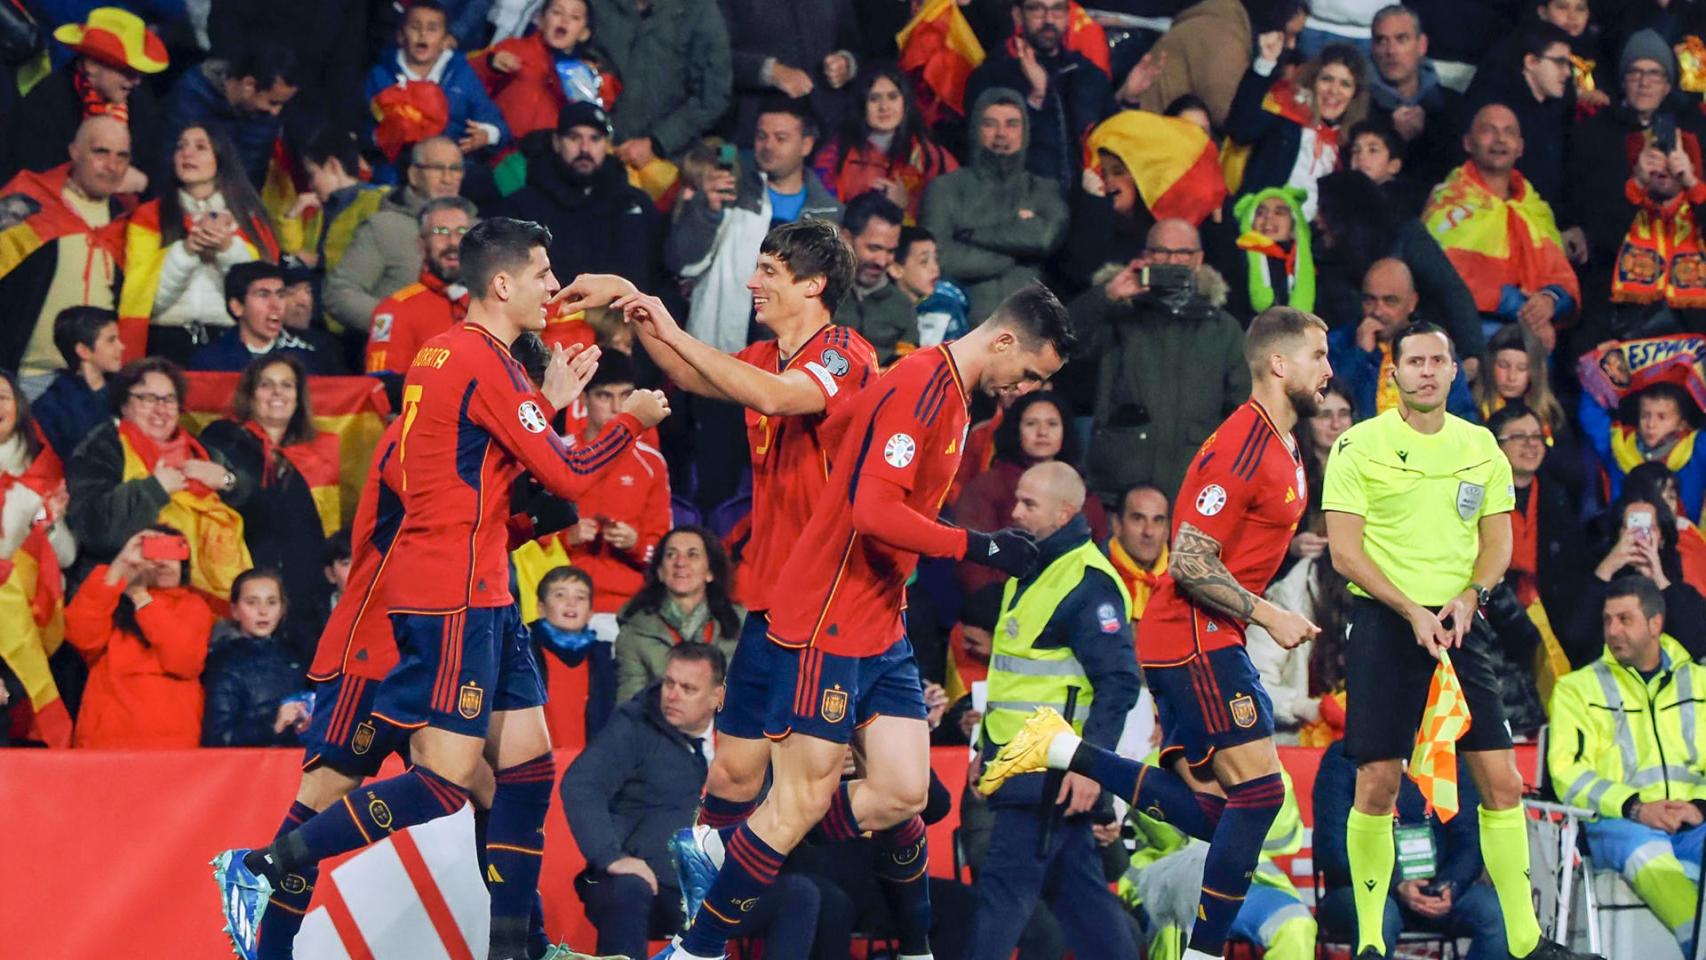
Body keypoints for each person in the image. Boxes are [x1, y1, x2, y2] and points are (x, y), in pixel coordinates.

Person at [215, 217, 670, 960]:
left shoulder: (466, 391)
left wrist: (545, 430)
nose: (532, 395)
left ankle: (521, 949)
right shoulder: (452, 392)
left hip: (477, 601)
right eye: (532, 386)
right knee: (358, 797)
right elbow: (449, 513)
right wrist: (613, 429)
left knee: (524, 775)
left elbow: (515, 505)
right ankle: (264, 906)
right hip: (388, 634)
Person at [661, 283, 1075, 960]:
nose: (1027, 387)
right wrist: (979, 544)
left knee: (905, 793)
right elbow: (873, 513)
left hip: (880, 614)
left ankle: (751, 855)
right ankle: (698, 948)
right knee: (798, 800)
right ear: (1003, 340)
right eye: (1030, 372)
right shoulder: (922, 385)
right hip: (828, 613)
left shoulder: (956, 397)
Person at [981, 305, 1336, 960]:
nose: (1330, 369)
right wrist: (1270, 613)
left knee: (1234, 811)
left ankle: (1065, 752)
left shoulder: (1284, 443)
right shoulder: (1240, 446)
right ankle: (1201, 952)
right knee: (1260, 795)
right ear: (1279, 363)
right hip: (1194, 633)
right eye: (1319, 355)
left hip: (1211, 634)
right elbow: (1193, 560)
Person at [555, 221, 880, 901]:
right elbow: (683, 368)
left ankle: (891, 932)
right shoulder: (762, 353)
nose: (751, 281)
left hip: (833, 602)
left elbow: (775, 397)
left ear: (814, 284)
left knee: (865, 788)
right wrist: (634, 304)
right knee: (733, 773)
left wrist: (660, 315)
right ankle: (710, 904)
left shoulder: (845, 353)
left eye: (768, 271)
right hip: (769, 597)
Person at [1322, 319, 1598, 960]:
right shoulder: (1358, 445)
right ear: (1393, 374)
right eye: (1411, 360)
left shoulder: (1481, 446)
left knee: (1502, 783)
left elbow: (1498, 541)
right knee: (1377, 786)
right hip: (1385, 622)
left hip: (1459, 622)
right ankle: (1369, 939)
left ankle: (1526, 939)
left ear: (1453, 372)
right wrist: (1406, 608)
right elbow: (1344, 551)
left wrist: (1470, 595)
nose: (1423, 370)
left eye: (1435, 361)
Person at [963, 460, 1142, 960]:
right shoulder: (1033, 567)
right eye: (1016, 500)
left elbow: (1120, 683)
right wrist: (985, 747)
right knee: (1081, 901)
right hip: (1023, 766)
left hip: (1049, 770)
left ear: (1065, 512)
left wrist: (1091, 767)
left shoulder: (1088, 583)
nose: (1014, 512)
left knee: (1002, 897)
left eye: (1028, 504)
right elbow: (1013, 680)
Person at [562, 643, 821, 959]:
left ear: (718, 696)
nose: (672, 695)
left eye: (687, 688)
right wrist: (612, 857)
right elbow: (581, 785)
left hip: (719, 886)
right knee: (628, 888)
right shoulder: (634, 725)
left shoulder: (746, 739)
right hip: (650, 884)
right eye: (669, 683)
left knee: (801, 894)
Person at [1550, 576, 1706, 958]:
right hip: (1618, 824)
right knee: (1649, 857)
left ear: (1655, 625)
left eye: (1624, 619)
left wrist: (1699, 805)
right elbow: (1566, 774)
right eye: (1607, 620)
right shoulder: (1576, 689)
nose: (1612, 630)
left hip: (1693, 818)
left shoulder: (1700, 682)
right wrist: (1636, 806)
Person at [1077, 218, 1249, 501]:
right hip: (1120, 488)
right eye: (1161, 252)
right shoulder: (1119, 314)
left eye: (1182, 253)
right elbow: (1066, 342)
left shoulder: (1223, 328)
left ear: (1198, 259)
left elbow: (1243, 410)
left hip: (1195, 490)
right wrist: (1106, 296)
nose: (1172, 262)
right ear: (1145, 257)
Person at [666, 101, 844, 352]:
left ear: (806, 144)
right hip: (718, 356)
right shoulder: (730, 193)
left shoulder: (829, 214)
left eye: (781, 138)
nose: (768, 145)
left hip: (790, 361)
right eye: (762, 136)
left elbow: (834, 296)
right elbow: (682, 263)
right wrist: (706, 212)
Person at [197, 355, 341, 664]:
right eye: (266, 385)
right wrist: (229, 480)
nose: (278, 393)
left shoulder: (315, 452)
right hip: (244, 605)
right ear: (250, 396)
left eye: (286, 385)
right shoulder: (223, 439)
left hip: (304, 610)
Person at [65, 358, 254, 587]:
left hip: (210, 599)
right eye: (147, 399)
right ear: (123, 404)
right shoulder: (102, 449)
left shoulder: (201, 451)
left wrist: (227, 480)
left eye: (169, 400)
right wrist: (154, 489)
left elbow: (255, 505)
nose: (161, 409)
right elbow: (94, 529)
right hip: (129, 597)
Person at [1313, 739, 1507, 958]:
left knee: (1498, 913)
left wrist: (1450, 884)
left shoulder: (1447, 755)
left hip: (1435, 888)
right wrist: (1397, 885)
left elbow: (1469, 842)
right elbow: (1334, 850)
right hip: (1365, 890)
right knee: (1378, 915)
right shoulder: (1346, 756)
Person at [120, 124, 280, 365]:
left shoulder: (250, 219)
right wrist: (187, 251)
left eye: (200, 147)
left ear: (221, 158)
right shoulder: (149, 217)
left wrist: (227, 250)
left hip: (230, 343)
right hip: (165, 341)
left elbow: (262, 299)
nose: (187, 153)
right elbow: (144, 300)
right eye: (181, 146)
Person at [1423, 103, 1578, 352]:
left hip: (1531, 338)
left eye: (1509, 132)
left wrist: (1549, 301)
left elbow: (1562, 279)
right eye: (1489, 130)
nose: (1500, 139)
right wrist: (1524, 310)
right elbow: (1445, 278)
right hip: (1467, 336)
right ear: (1467, 142)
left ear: (1520, 147)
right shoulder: (1448, 201)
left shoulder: (1535, 207)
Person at [1118, 765, 1314, 960]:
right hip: (1173, 882)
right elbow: (1165, 836)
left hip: (1250, 884)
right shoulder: (1155, 763)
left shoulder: (1264, 759)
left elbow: (1281, 834)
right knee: (1173, 925)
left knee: (1294, 921)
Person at [0, 116, 134, 387]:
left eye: (122, 156)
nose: (112, 166)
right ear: (74, 151)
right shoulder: (29, 202)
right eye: (101, 152)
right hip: (26, 377)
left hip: (100, 382)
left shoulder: (131, 220)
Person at [1564, 29, 1702, 288]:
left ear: (1667, 85)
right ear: (1623, 81)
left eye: (1654, 73)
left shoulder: (1693, 131)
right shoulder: (1594, 133)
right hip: (1616, 272)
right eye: (1635, 72)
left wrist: (1691, 181)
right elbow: (1593, 224)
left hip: (1688, 270)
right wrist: (1636, 182)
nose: (1644, 82)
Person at [921, 87, 1070, 326]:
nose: (1001, 133)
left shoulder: (1043, 189)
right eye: (990, 124)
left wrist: (970, 235)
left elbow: (1044, 238)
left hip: (1030, 331)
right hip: (963, 330)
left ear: (1025, 132)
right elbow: (940, 258)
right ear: (975, 129)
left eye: (1012, 124)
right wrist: (1017, 250)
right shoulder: (946, 188)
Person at [1311, 169, 1485, 365]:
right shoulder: (1321, 252)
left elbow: (1451, 291)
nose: (1317, 220)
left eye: (1323, 210)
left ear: (1343, 215)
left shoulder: (1404, 234)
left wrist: (1472, 354)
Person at [64, 525, 216, 748]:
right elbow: (80, 637)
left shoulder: (194, 606)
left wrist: (140, 597)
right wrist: (121, 566)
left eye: (172, 554)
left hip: (171, 744)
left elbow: (184, 661)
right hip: (106, 740)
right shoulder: (111, 601)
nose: (163, 563)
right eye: (154, 553)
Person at [550, 349, 672, 622]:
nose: (618, 408)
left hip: (627, 610)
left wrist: (636, 544)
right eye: (605, 396)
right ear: (583, 399)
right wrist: (566, 538)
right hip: (560, 604)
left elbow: (664, 549)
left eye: (626, 396)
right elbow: (525, 540)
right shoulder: (556, 453)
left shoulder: (651, 464)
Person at [493, 101, 661, 293]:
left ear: (606, 145)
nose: (584, 149)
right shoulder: (521, 208)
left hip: (626, 319)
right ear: (557, 143)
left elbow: (661, 277)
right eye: (574, 138)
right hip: (552, 320)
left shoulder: (635, 204)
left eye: (595, 139)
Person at [955, 391, 1109, 598]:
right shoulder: (987, 487)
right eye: (1031, 424)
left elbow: (1098, 557)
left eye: (1052, 424)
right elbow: (973, 562)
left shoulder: (1083, 494)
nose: (1042, 432)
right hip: (999, 606)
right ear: (1017, 430)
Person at [0, 6, 163, 188]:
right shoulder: (46, 102)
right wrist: (109, 182)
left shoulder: (141, 105)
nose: (136, 82)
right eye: (127, 72)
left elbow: (155, 174)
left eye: (139, 74)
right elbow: (33, 178)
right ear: (92, 65)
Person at [0, 369, 77, 749]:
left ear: (19, 407)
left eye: (3, 396)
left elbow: (65, 557)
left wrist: (50, 524)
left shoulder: (41, 474)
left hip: (26, 627)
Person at [964, 0, 1113, 192]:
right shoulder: (991, 75)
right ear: (1017, 15)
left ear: (1068, 16)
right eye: (1037, 8)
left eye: (1057, 9)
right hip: (1015, 201)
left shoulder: (1086, 73)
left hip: (1083, 201)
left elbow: (1110, 138)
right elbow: (984, 153)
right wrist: (1038, 98)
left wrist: (1128, 98)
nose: (1049, 19)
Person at [324, 136, 466, 336]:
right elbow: (339, 293)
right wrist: (398, 324)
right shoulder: (383, 228)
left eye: (455, 169)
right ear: (414, 175)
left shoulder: (479, 230)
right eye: (437, 168)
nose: (448, 178)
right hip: (396, 356)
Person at [1225, 41, 1369, 220]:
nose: (1334, 91)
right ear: (1312, 81)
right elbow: (1240, 130)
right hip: (1257, 228)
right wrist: (1264, 63)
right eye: (1327, 79)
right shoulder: (1285, 120)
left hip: (1312, 241)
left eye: (1345, 84)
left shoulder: (1349, 147)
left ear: (1355, 95)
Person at [364, 0, 509, 177]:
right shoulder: (381, 75)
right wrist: (379, 137)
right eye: (415, 27)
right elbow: (362, 126)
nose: (423, 34)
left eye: (432, 29)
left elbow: (495, 122)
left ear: (446, 40)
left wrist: (487, 134)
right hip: (395, 169)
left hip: (449, 169)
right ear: (401, 36)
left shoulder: (461, 74)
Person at [1563, 487, 1706, 666]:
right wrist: (1608, 566)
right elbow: (1576, 638)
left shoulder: (1681, 591)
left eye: (1648, 528)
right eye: (1630, 527)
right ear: (1618, 534)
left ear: (1662, 537)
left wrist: (1660, 580)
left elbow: (1698, 645)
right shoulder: (1593, 580)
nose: (1638, 537)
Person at [585, 0, 731, 170]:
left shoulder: (699, 10)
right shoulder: (597, 6)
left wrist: (657, 142)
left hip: (672, 164)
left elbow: (712, 95)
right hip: (597, 152)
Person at [1328, 258, 1476, 420]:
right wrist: (1360, 354)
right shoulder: (1339, 343)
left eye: (1390, 301)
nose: (1378, 311)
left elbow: (1462, 414)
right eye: (1370, 300)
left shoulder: (1435, 347)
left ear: (1412, 303)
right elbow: (1331, 406)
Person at [813, 65, 959, 221]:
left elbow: (954, 214)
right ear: (861, 105)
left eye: (893, 97)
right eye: (874, 98)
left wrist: (908, 203)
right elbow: (822, 213)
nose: (884, 107)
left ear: (906, 103)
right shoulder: (834, 155)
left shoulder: (932, 156)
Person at [1594, 137, 1706, 339]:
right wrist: (1638, 182)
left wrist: (1692, 182)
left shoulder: (1699, 210)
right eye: (1655, 159)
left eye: (1672, 159)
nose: (1664, 167)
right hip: (1629, 342)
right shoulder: (1624, 208)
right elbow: (1600, 243)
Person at [613, 526, 740, 702]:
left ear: (710, 572)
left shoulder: (743, 625)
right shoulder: (635, 631)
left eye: (692, 554)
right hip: (661, 726)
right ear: (660, 572)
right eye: (671, 555)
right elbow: (630, 707)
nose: (680, 562)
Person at [471, 0, 619, 142]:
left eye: (575, 17)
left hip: (549, 158)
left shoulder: (588, 73)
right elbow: (469, 80)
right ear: (541, 20)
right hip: (500, 147)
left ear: (584, 33)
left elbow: (599, 114)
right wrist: (490, 64)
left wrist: (595, 86)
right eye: (557, 12)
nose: (564, 20)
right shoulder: (514, 49)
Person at [1464, 21, 1575, 206]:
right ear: (1531, 62)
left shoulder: (1556, 109)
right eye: (1560, 62)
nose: (1567, 72)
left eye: (1569, 64)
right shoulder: (1496, 110)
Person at [160, 42, 300, 189]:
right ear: (249, 85)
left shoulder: (266, 118)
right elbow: (168, 163)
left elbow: (252, 177)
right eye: (272, 102)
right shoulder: (191, 96)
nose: (276, 112)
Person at [364, 196, 478, 375]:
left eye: (461, 231)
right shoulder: (395, 310)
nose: (453, 242)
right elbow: (383, 389)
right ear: (421, 244)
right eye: (441, 232)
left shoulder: (497, 301)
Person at [723, 0, 861, 144]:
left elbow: (858, 48)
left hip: (827, 131)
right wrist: (770, 71)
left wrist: (846, 63)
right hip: (747, 134)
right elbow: (709, 58)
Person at [201, 569, 312, 747]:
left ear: (282, 609)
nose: (263, 611)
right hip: (251, 769)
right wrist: (273, 725)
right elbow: (218, 738)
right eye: (252, 603)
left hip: (295, 766)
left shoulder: (295, 655)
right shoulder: (222, 663)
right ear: (235, 610)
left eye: (272, 602)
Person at [1581, 378, 1706, 520]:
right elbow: (1591, 418)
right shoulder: (1619, 449)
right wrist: (1602, 369)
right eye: (1645, 416)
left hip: (1686, 539)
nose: (1651, 424)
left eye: (1662, 417)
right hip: (1628, 538)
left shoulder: (1695, 450)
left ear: (1682, 425)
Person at [1365, 4, 1459, 191]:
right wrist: (1394, 137)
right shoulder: (1359, 105)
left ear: (1422, 45)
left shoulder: (1452, 105)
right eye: (1381, 41)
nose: (1390, 51)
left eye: (1401, 39)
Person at [277, 128, 390, 274]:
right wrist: (292, 216)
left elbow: (378, 258)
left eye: (312, 175)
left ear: (333, 165)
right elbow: (296, 254)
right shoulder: (319, 212)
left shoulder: (378, 201)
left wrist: (320, 262)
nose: (310, 185)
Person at [189, 262, 327, 373]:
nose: (276, 305)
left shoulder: (304, 360)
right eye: (263, 295)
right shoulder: (210, 362)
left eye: (280, 295)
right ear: (237, 307)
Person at [832, 191, 914, 364]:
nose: (882, 261)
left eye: (891, 251)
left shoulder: (903, 306)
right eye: (874, 248)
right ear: (846, 238)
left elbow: (907, 368)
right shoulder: (816, 292)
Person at [1228, 186, 1316, 320]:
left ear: (1294, 225)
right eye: (1260, 213)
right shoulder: (1235, 260)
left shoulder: (1316, 262)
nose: (1268, 218)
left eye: (1279, 212)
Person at [1107, 483, 1170, 622]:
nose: (1148, 531)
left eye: (1158, 520)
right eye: (1138, 519)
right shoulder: (1095, 575)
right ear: (1117, 525)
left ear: (1167, 531)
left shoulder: (1184, 583)